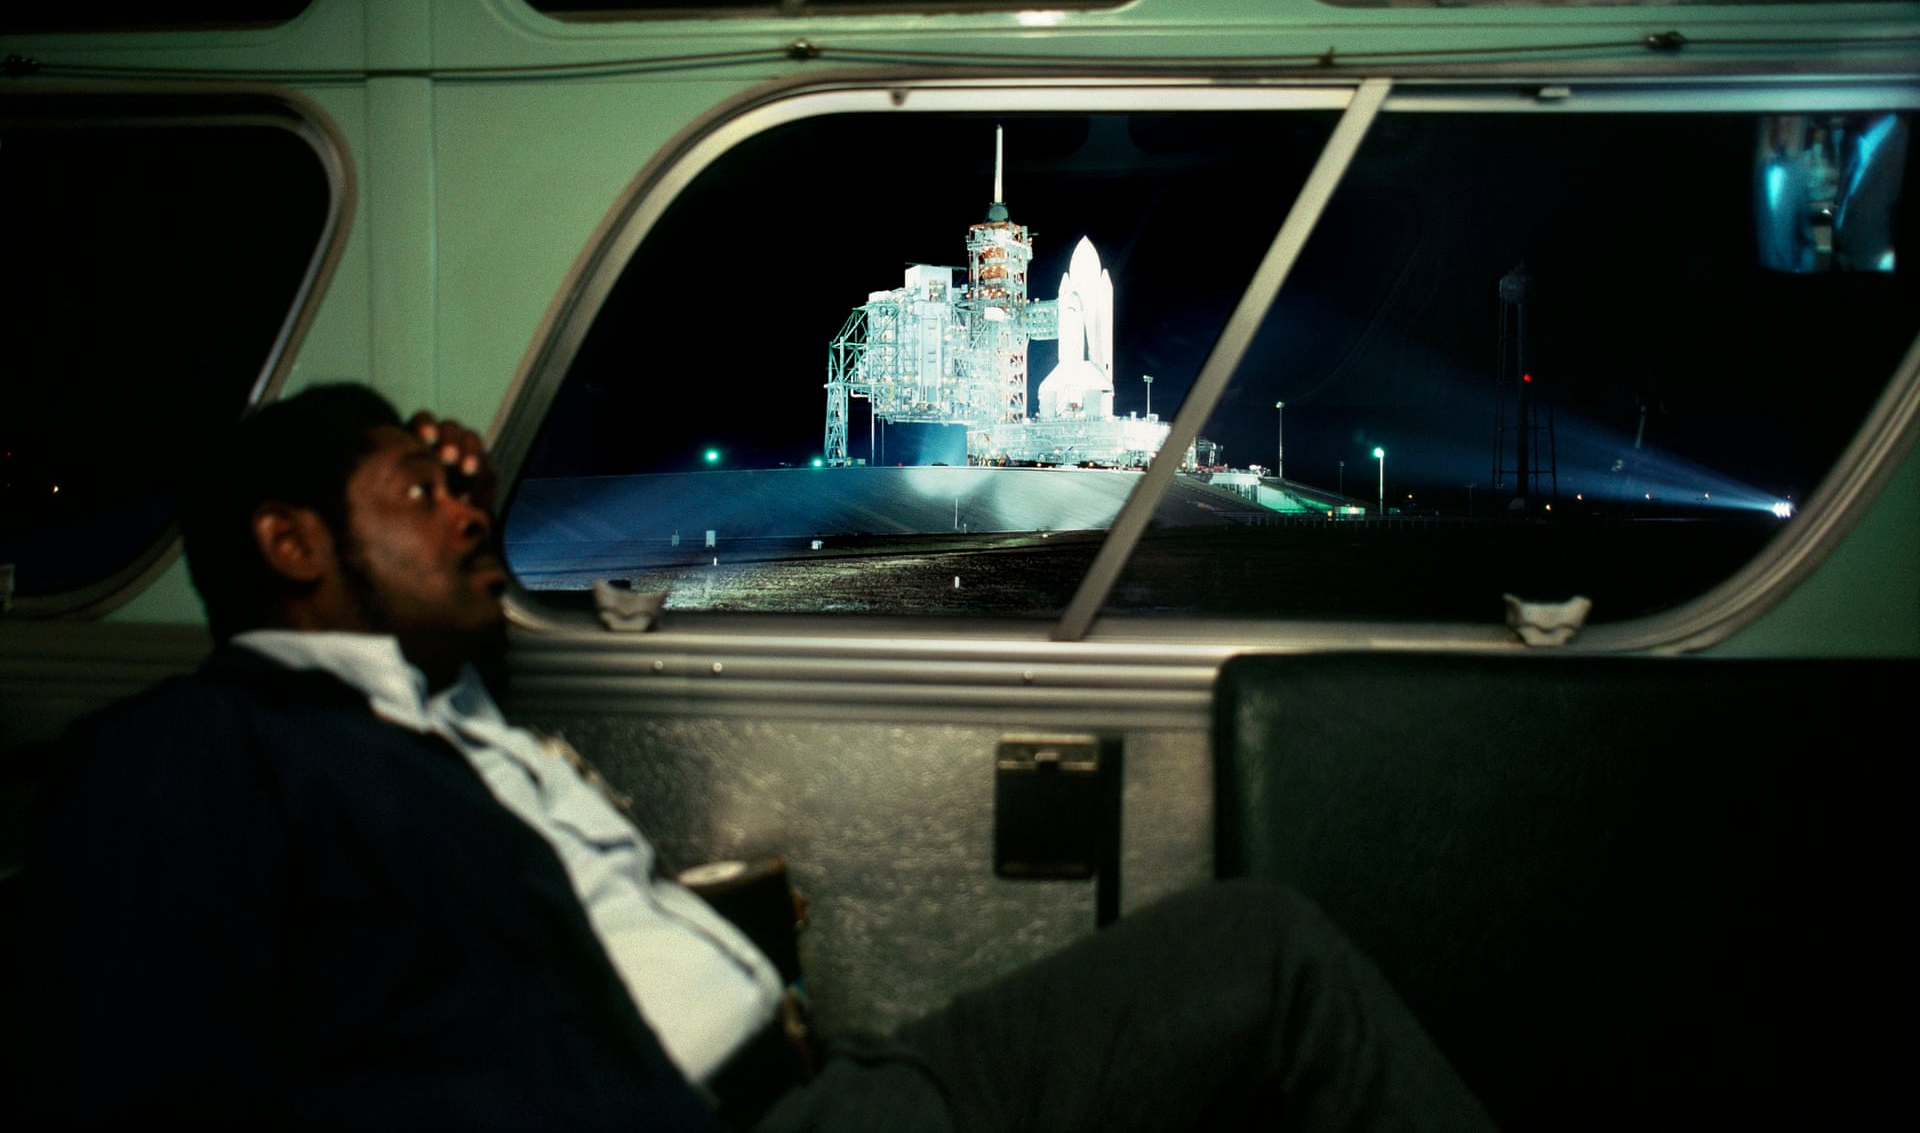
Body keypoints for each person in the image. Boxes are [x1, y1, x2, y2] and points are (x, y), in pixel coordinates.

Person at [5, 384, 1495, 1132]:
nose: (470, 509)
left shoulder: (445, 713)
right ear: (290, 546)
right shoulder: (192, 759)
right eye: (419, 491)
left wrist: (432, 491)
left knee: (1257, 947)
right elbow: (145, 1074)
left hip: (836, 1075)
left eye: (463, 486)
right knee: (1268, 972)